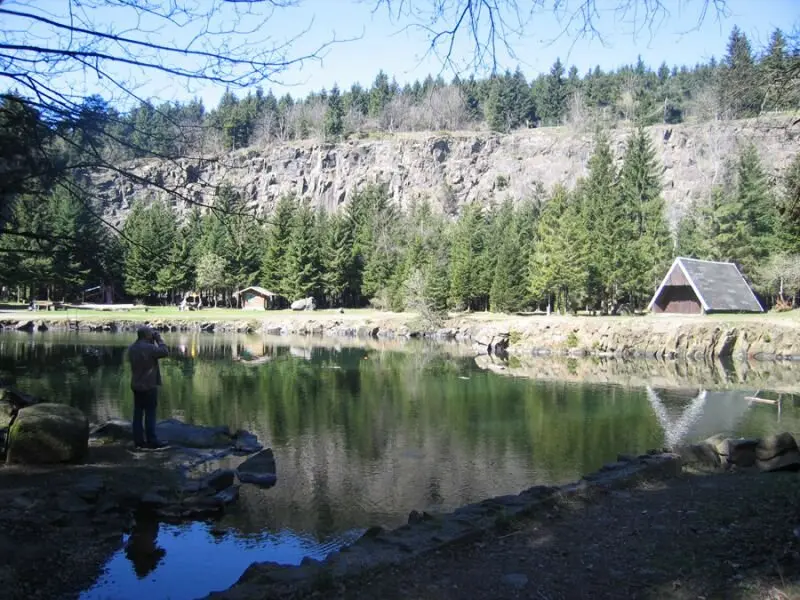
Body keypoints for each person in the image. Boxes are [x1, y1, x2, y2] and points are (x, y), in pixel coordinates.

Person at [128, 326, 170, 450]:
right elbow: (165, 352)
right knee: (150, 413)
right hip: (149, 385)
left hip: (136, 385)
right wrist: (159, 339)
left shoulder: (132, 348)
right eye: (151, 333)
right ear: (147, 335)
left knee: (137, 413)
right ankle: (152, 440)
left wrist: (151, 340)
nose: (152, 334)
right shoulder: (150, 348)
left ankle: (138, 441)